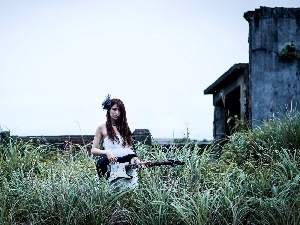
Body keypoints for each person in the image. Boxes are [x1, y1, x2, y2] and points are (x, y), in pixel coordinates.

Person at [91, 94, 144, 188]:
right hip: (111, 167)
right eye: (114, 109)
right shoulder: (102, 126)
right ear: (109, 110)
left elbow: (128, 150)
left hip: (127, 167)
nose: (117, 113)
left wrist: (137, 161)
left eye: (119, 110)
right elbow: (93, 150)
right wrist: (107, 152)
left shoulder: (125, 128)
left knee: (129, 194)